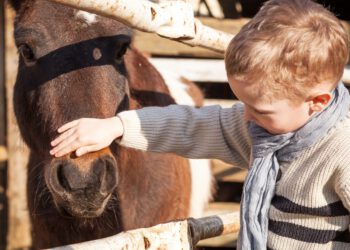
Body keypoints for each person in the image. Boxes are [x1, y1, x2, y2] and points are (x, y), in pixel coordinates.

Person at [49, 0, 350, 249]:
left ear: (317, 102)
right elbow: (189, 125)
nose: (245, 117)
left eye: (259, 109)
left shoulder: (342, 151)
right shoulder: (265, 130)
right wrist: (117, 127)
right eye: (242, 103)